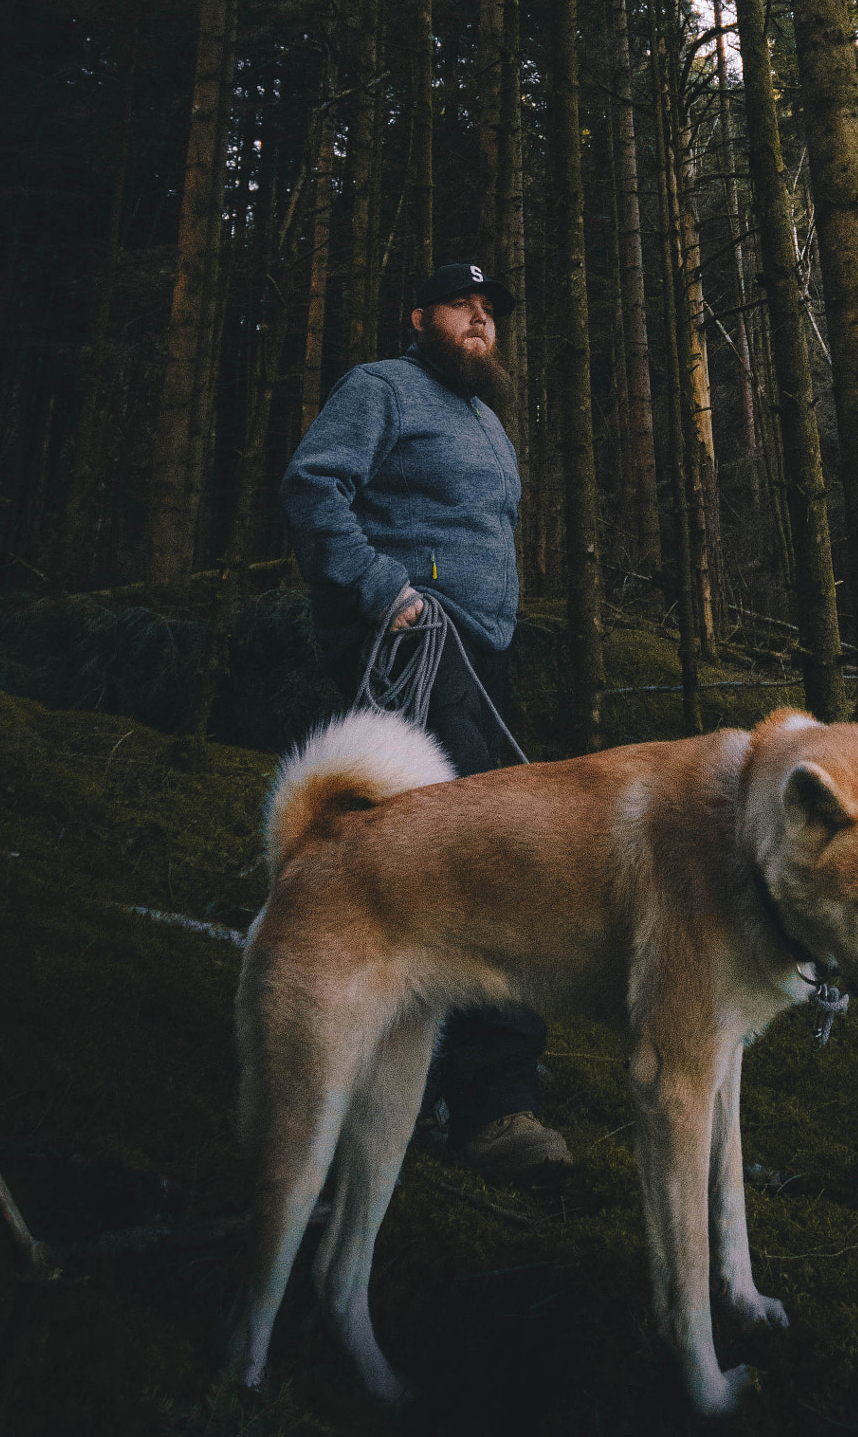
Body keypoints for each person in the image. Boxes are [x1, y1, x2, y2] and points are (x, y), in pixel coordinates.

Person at [279, 262, 571, 1186]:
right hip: (414, 653)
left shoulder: (487, 421)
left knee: (480, 858)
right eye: (463, 306)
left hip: (482, 658)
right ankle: (493, 1107)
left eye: (492, 312)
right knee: (476, 865)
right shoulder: (379, 387)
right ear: (419, 318)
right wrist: (384, 592)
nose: (482, 320)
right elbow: (313, 488)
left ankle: (438, 1069)